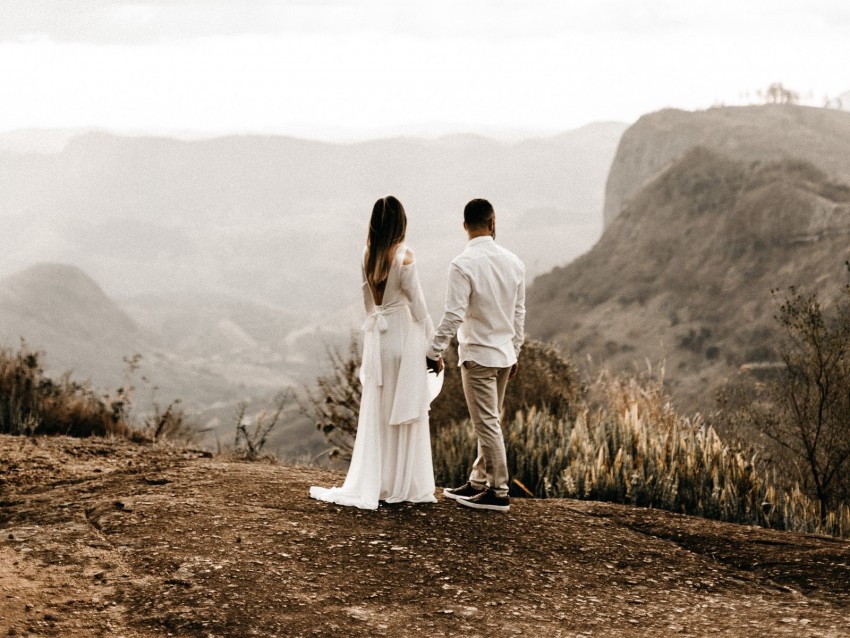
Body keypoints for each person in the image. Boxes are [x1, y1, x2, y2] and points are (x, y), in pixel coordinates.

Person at [310, 196, 438, 510]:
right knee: (404, 410)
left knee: (380, 413)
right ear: (400, 223)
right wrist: (435, 349)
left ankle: (378, 481)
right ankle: (403, 484)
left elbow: (370, 305)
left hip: (378, 341)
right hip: (402, 339)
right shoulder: (404, 256)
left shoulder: (367, 255)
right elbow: (420, 311)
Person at [427, 198, 525, 512]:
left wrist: (434, 349)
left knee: (486, 424)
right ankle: (478, 481)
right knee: (491, 420)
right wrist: (516, 350)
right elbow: (519, 313)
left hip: (479, 356)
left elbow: (454, 314)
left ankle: (498, 491)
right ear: (492, 223)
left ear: (465, 226)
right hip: (504, 355)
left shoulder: (462, 264)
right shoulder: (514, 262)